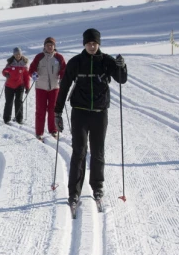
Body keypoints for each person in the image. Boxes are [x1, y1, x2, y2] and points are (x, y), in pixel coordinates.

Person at [54, 28, 128, 206]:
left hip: (99, 113)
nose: (92, 46)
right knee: (79, 151)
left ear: (99, 44)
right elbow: (64, 87)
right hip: (79, 111)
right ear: (84, 44)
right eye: (89, 43)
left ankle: (97, 186)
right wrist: (57, 112)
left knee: (98, 151)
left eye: (94, 43)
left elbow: (121, 79)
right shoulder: (76, 62)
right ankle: (74, 191)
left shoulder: (106, 61)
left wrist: (121, 66)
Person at [29, 37, 66, 140]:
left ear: (54, 46)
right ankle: (39, 132)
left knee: (53, 110)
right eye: (47, 45)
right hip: (41, 87)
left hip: (54, 87)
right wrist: (33, 74)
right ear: (44, 46)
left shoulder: (59, 57)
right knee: (40, 110)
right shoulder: (39, 57)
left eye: (51, 45)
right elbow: (31, 69)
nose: (50, 47)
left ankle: (53, 130)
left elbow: (64, 69)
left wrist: (62, 78)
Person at [2, 47, 30, 124]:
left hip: (20, 86)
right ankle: (6, 119)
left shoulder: (24, 63)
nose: (17, 56)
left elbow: (26, 77)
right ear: (14, 55)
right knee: (9, 102)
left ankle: (19, 118)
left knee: (19, 102)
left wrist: (27, 87)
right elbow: (5, 70)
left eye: (19, 54)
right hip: (9, 86)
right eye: (16, 54)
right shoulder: (10, 62)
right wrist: (6, 73)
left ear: (21, 54)